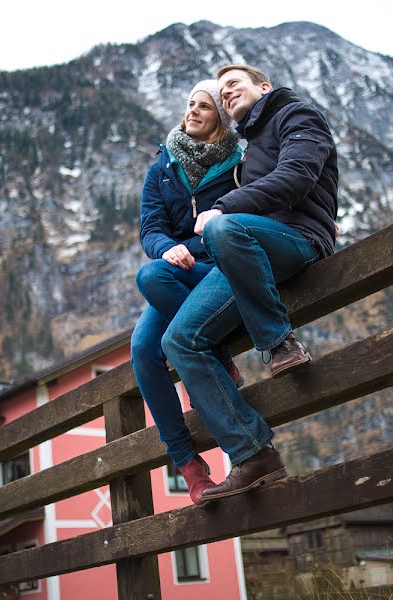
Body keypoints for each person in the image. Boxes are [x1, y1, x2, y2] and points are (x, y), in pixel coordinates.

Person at [161, 64, 339, 503]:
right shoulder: (251, 144)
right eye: (220, 94)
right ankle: (253, 453)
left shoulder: (297, 115)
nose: (225, 96)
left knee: (223, 229)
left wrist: (224, 206)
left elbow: (298, 177)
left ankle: (280, 344)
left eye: (232, 86)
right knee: (179, 341)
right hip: (247, 251)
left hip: (297, 239)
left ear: (263, 87)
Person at [130, 80, 244, 506]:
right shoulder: (163, 165)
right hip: (176, 268)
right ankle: (189, 464)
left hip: (218, 265)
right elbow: (151, 228)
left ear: (219, 118)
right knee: (143, 347)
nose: (193, 111)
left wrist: (191, 247)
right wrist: (167, 247)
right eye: (190, 104)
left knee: (152, 278)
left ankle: (212, 360)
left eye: (205, 106)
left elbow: (248, 210)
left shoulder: (239, 159)